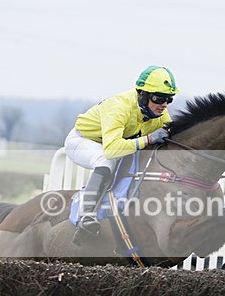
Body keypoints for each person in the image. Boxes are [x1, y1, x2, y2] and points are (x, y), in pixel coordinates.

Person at [64, 65, 178, 242]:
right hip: (84, 141)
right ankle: (86, 215)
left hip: (113, 143)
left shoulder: (160, 113)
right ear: (143, 94)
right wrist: (147, 139)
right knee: (106, 161)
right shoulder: (119, 107)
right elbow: (111, 150)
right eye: (159, 98)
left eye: (169, 99)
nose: (164, 104)